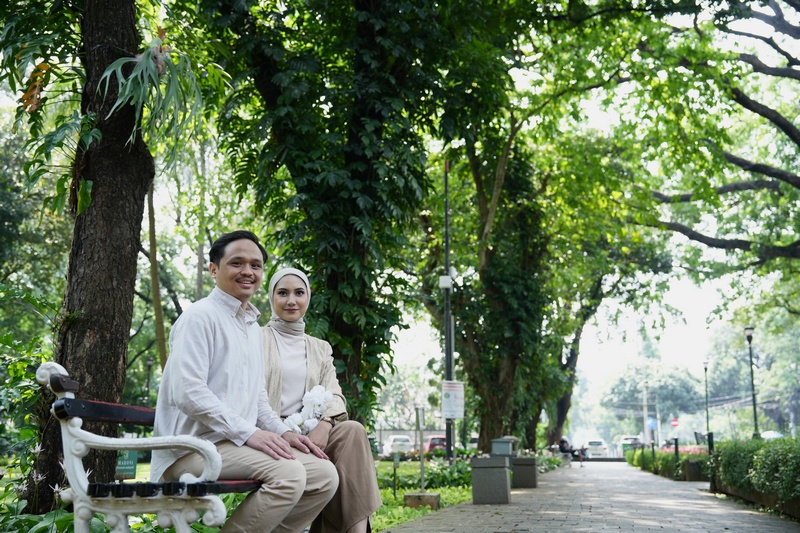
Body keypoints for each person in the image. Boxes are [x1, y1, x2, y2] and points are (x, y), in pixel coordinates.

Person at [151, 231, 339, 532]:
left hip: (231, 445)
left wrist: (282, 432)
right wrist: (250, 433)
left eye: (255, 265)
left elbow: (258, 397)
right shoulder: (199, 317)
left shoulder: (251, 326)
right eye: (237, 263)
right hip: (190, 449)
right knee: (289, 475)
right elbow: (188, 393)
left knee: (323, 476)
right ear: (214, 269)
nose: (248, 271)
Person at [262, 267, 381, 533]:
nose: (291, 300)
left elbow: (335, 393)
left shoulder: (320, 347)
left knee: (353, 430)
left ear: (308, 297)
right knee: (332, 467)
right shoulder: (256, 340)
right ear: (271, 297)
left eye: (299, 293)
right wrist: (280, 430)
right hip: (273, 432)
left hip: (313, 431)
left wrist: (326, 424)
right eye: (283, 293)